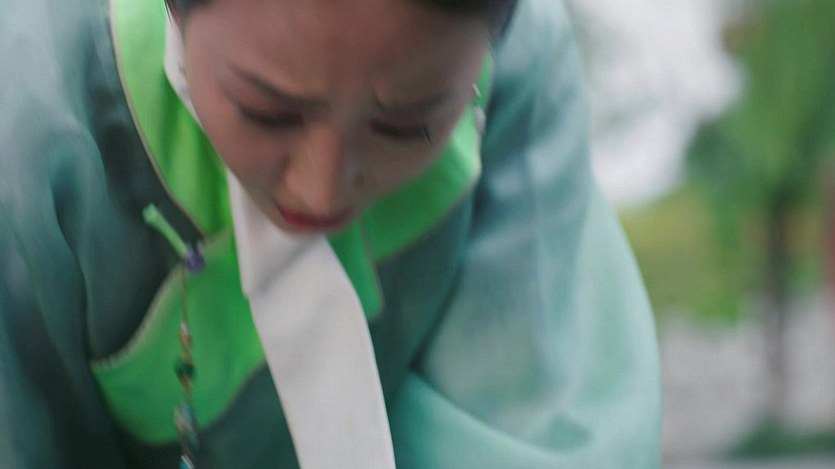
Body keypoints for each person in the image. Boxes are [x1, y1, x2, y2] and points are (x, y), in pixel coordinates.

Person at [0, 0, 661, 467]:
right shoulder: (29, 132)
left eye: (406, 125)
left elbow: (540, 430)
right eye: (267, 112)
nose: (318, 191)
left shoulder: (518, 67)